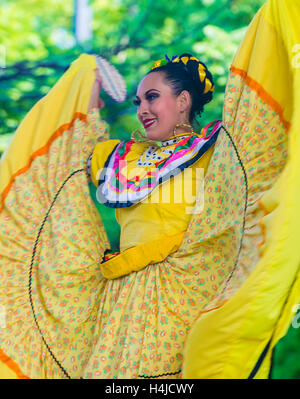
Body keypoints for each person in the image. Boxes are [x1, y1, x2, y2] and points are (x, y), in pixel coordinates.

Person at [0, 0, 299, 380]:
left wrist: (278, 18)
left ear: (184, 101)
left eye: (153, 97)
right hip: (120, 298)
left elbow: (258, 138)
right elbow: (66, 157)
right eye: (139, 100)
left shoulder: (216, 153)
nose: (142, 108)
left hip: (183, 289)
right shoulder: (121, 157)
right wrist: (86, 76)